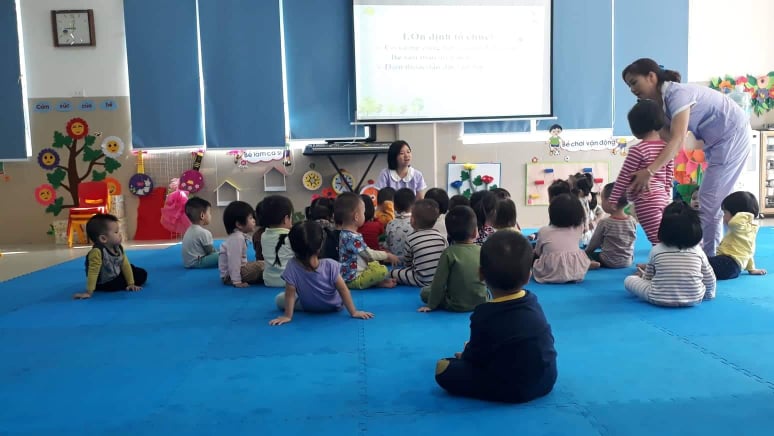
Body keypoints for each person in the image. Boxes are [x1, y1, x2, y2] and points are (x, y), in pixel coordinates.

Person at [622, 58, 751, 256]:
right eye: (629, 86)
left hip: (732, 135)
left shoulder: (676, 94)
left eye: (634, 82)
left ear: (651, 77)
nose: (632, 89)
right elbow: (667, 140)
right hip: (717, 143)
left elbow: (677, 140)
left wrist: (649, 171)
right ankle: (708, 253)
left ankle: (707, 258)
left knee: (708, 201)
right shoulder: (662, 104)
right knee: (714, 200)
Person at [434, 230, 557, 403]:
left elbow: (475, 358)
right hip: (546, 379)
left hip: (511, 388)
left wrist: (466, 353)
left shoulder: (484, 315)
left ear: (481, 274)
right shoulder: (533, 301)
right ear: (528, 276)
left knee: (443, 368)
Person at [269, 221, 374, 326]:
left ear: (293, 247)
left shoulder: (292, 265)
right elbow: (343, 290)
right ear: (320, 246)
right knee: (340, 291)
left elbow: (290, 294)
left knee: (280, 299)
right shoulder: (330, 265)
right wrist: (354, 312)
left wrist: (287, 316)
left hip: (308, 307)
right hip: (334, 306)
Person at [624, 201, 716, 307]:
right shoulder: (698, 251)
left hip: (657, 297)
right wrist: (709, 295)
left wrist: (642, 277)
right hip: (694, 298)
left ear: (663, 229)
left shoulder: (656, 250)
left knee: (629, 280)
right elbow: (710, 278)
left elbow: (648, 278)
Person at [608, 99, 673, 245]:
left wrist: (614, 198)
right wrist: (665, 192)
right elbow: (669, 174)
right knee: (666, 233)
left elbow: (624, 177)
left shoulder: (637, 150)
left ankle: (661, 258)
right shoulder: (666, 148)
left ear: (635, 128)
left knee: (655, 238)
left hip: (646, 200)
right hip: (663, 198)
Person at [418, 205, 487, 312]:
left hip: (456, 304)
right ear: (475, 232)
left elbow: (438, 283)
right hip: (482, 302)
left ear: (449, 234)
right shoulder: (482, 251)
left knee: (425, 292)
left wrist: (431, 305)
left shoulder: (448, 253)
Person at [73, 213, 147, 299]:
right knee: (131, 277)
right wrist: (89, 292)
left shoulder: (118, 248)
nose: (120, 234)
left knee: (138, 271)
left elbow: (125, 265)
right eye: (116, 232)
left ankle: (128, 281)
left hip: (115, 273)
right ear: (103, 238)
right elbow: (93, 272)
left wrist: (131, 283)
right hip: (106, 282)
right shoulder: (97, 252)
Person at [335, 192, 399, 289]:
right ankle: (371, 282)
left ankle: (378, 282)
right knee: (382, 270)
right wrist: (387, 255)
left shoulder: (344, 233)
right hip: (353, 279)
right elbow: (370, 254)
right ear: (356, 217)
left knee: (374, 264)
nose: (364, 215)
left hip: (349, 275)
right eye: (363, 213)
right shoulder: (353, 237)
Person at [532, 194, 598, 283]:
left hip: (550, 271)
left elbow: (538, 252)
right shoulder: (579, 228)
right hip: (576, 270)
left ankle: (582, 265)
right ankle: (586, 264)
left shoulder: (544, 231)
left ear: (552, 213)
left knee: (531, 255)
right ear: (579, 214)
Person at [707, 191, 767, 279]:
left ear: (737, 215)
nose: (723, 217)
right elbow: (748, 252)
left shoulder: (740, 228)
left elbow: (733, 223)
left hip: (728, 264)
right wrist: (752, 269)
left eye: (725, 213)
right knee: (703, 261)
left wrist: (746, 214)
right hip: (732, 268)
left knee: (699, 260)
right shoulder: (747, 229)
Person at [390, 199, 448, 287]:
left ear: (412, 220)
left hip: (421, 279)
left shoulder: (411, 238)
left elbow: (407, 262)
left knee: (393, 273)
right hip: (440, 279)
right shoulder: (440, 236)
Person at [585, 183, 637, 268]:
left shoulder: (605, 222)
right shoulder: (632, 221)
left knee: (586, 255)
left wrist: (586, 252)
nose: (601, 203)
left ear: (612, 204)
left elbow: (593, 244)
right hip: (627, 261)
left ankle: (592, 263)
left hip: (607, 261)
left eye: (602, 199)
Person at [219, 201, 264, 287]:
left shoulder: (239, 236)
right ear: (239, 224)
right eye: (251, 218)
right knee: (264, 266)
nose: (254, 220)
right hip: (230, 276)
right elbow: (234, 261)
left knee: (263, 264)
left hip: (234, 273)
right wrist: (237, 281)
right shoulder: (237, 238)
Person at [256, 195, 296, 288]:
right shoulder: (291, 236)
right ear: (286, 219)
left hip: (269, 280)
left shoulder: (263, 235)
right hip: (290, 281)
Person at [181, 197, 218, 268]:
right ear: (202, 215)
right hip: (198, 262)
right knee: (223, 254)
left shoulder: (188, 230)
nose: (210, 215)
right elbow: (211, 252)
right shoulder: (204, 233)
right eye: (209, 213)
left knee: (221, 251)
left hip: (188, 263)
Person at [384, 188, 416, 261]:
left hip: (394, 263)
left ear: (394, 206)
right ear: (414, 205)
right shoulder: (416, 223)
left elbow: (386, 245)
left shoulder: (390, 224)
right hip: (412, 263)